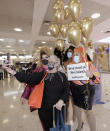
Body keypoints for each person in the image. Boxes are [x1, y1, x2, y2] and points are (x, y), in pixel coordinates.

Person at [2, 55, 69, 131]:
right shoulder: (42, 75)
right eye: (47, 62)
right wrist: (12, 71)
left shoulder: (62, 76)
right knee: (47, 128)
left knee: (60, 127)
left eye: (51, 62)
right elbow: (27, 78)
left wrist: (61, 100)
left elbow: (67, 91)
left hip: (59, 108)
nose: (48, 63)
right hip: (44, 109)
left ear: (57, 63)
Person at [69, 47, 100, 131]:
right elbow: (70, 79)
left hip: (87, 90)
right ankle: (79, 126)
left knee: (88, 111)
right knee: (77, 108)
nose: (75, 56)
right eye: (74, 55)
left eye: (77, 54)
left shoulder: (89, 65)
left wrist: (92, 76)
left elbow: (98, 80)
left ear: (82, 55)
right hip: (74, 90)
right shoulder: (71, 65)